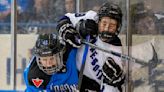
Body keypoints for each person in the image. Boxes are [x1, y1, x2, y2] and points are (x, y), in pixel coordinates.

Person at [57, 2, 125, 92]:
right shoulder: (90, 18)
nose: (106, 28)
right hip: (69, 74)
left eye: (112, 25)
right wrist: (75, 29)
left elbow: (111, 87)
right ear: (98, 20)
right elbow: (64, 19)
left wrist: (113, 80)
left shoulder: (116, 49)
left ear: (117, 27)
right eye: (104, 23)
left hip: (91, 86)